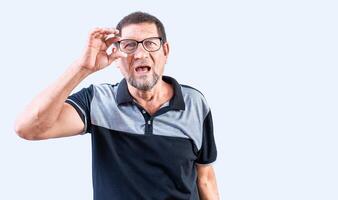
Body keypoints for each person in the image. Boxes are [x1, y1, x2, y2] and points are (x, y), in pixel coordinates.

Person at [15, 11, 219, 200]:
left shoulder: (195, 102)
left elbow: (205, 176)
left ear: (165, 51)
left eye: (150, 43)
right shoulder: (97, 101)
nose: (140, 54)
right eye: (129, 45)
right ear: (116, 57)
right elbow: (28, 128)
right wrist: (83, 68)